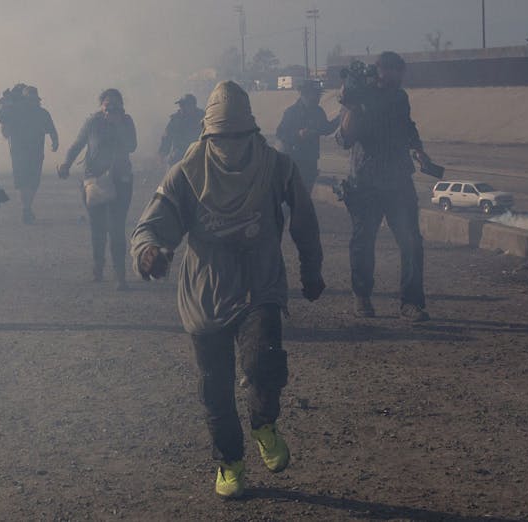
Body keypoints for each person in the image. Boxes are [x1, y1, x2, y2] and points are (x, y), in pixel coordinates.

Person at [131, 81, 325, 499]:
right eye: (222, 138)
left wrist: (312, 267)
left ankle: (264, 422)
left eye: (238, 137)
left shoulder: (277, 167)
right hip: (206, 290)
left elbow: (304, 219)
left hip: (260, 282)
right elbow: (156, 221)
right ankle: (230, 463)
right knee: (214, 386)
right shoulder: (187, 172)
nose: (230, 146)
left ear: (251, 133)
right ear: (208, 136)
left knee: (264, 362)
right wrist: (150, 252)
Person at [335, 51, 432, 322]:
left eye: (400, 74)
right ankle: (362, 296)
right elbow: (343, 139)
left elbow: (407, 125)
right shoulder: (359, 96)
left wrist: (418, 149)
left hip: (399, 181)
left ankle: (411, 303)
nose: (398, 79)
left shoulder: (400, 98)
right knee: (363, 242)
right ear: (380, 71)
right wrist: (353, 107)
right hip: (365, 182)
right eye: (393, 73)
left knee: (411, 242)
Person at [59, 88, 138, 290]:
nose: (110, 109)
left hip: (120, 180)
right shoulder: (93, 122)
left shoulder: (126, 121)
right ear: (101, 106)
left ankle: (120, 275)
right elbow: (78, 144)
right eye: (107, 105)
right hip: (93, 180)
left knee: (117, 227)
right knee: (97, 227)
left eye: (114, 105)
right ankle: (98, 267)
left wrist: (119, 125)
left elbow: (132, 146)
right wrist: (66, 163)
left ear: (121, 106)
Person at [0, 84, 59, 224]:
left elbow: (51, 129)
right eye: (29, 99)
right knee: (23, 182)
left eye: (33, 99)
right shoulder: (15, 112)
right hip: (19, 153)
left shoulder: (42, 113)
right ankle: (26, 208)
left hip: (36, 152)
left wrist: (55, 141)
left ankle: (27, 207)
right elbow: (4, 120)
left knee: (33, 182)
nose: (31, 102)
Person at [274, 80, 338, 191]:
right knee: (294, 195)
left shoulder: (318, 111)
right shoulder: (291, 112)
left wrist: (340, 118)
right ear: (305, 94)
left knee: (306, 193)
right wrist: (298, 134)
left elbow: (326, 129)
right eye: (315, 94)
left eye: (319, 95)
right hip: (295, 161)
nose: (318, 98)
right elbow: (280, 134)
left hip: (311, 161)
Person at [158, 94, 204, 164]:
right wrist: (163, 152)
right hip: (178, 155)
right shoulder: (176, 119)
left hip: (198, 154)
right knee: (171, 173)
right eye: (181, 105)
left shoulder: (203, 118)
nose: (181, 108)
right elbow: (167, 136)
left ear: (192, 106)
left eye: (184, 105)